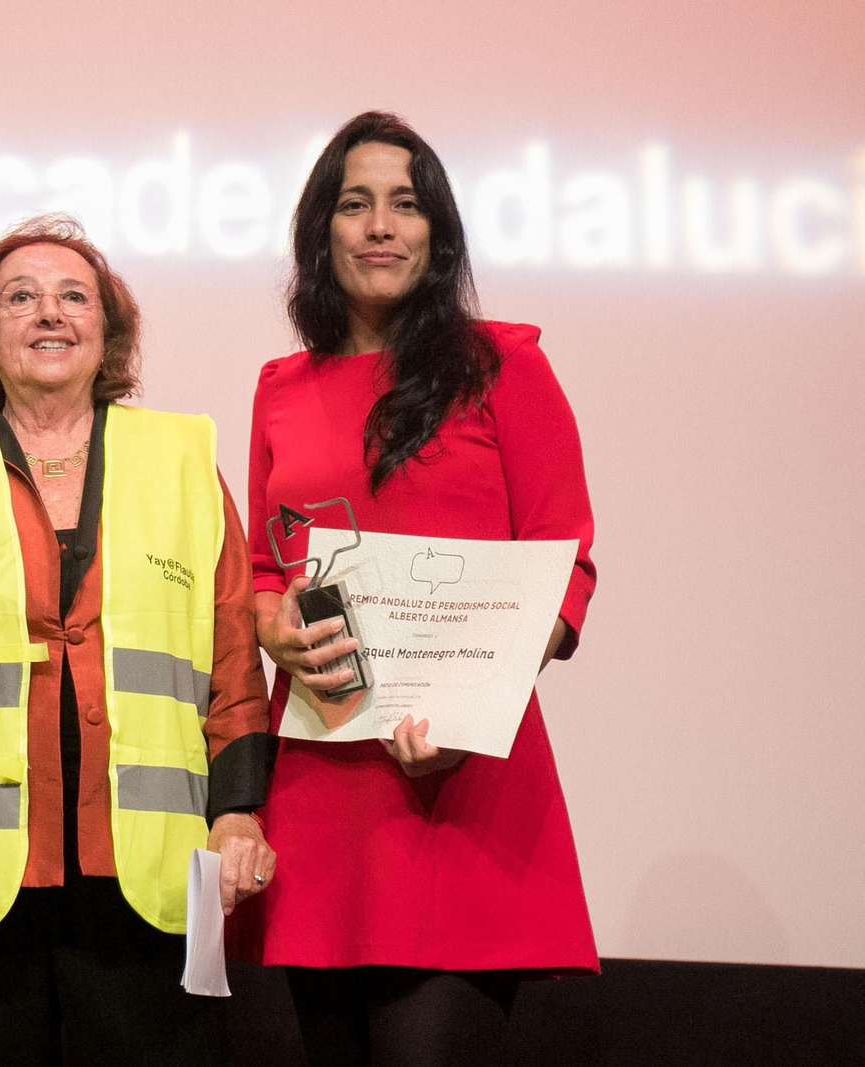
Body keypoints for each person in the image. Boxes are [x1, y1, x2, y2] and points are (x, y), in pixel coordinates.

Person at [0, 215, 275, 1067]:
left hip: (145, 865)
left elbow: (232, 646)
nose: (50, 312)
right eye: (20, 297)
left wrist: (238, 808)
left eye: (74, 296)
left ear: (108, 331)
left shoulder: (181, 457)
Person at [234, 111, 599, 1067]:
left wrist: (470, 707)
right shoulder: (281, 386)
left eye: (405, 204)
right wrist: (271, 624)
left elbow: (565, 565)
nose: (381, 226)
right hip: (321, 779)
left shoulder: (504, 366)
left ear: (438, 233)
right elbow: (266, 566)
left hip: (459, 778)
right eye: (355, 204)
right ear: (321, 231)